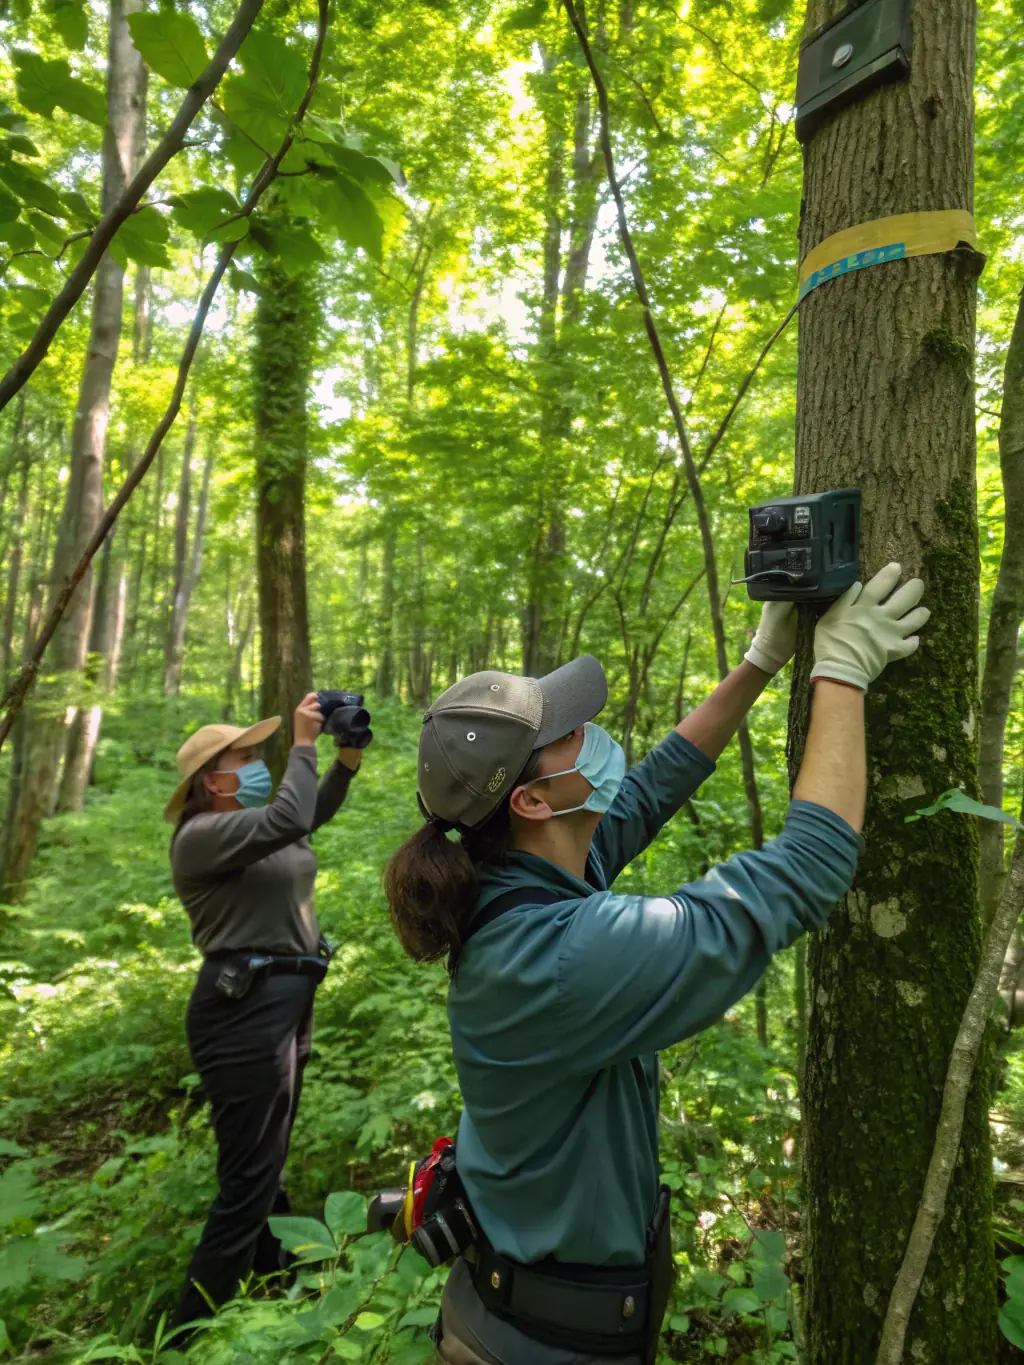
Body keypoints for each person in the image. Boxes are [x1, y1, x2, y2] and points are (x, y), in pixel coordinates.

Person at [383, 564, 929, 1365]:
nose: (593, 735)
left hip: (515, 1313)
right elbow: (806, 871)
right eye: (571, 734)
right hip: (539, 1343)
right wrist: (841, 673)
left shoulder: (516, 876)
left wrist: (760, 662)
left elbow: (644, 792)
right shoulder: (561, 953)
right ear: (532, 801)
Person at [165, 693, 367, 1326]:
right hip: (241, 1010)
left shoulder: (251, 830)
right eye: (246, 758)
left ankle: (275, 1286)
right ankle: (183, 1334)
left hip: (282, 1000)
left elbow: (306, 814)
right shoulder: (202, 837)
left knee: (265, 1160)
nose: (257, 765)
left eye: (258, 755)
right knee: (248, 1180)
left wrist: (346, 763)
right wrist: (302, 744)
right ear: (211, 779)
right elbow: (288, 816)